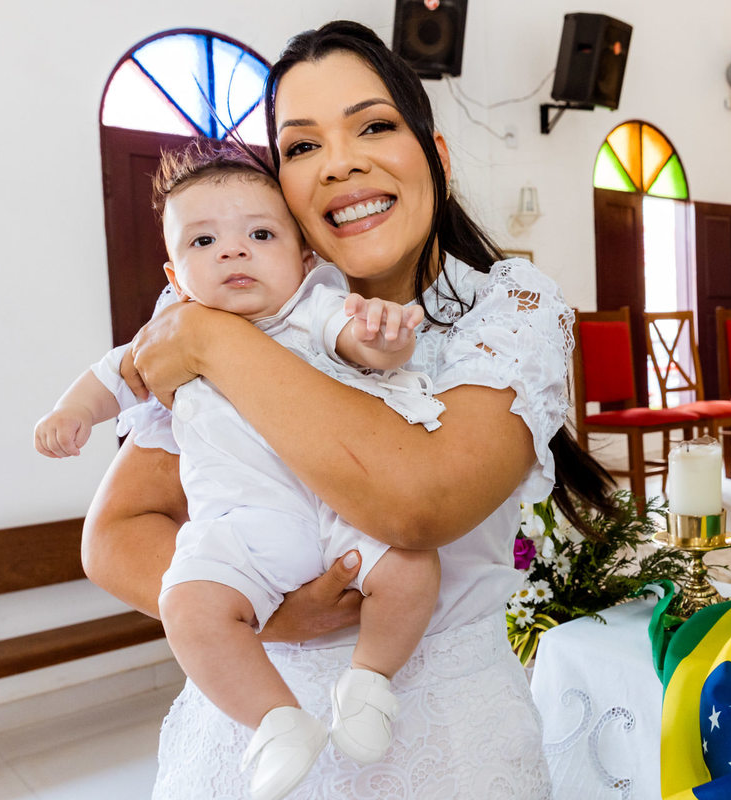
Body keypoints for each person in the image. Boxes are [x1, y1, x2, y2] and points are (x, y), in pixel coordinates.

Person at [81, 19, 618, 800]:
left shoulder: (509, 311)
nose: (340, 163)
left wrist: (210, 342)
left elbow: (421, 502)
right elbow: (116, 537)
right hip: (249, 736)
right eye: (301, 147)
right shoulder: (227, 309)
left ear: (433, 154)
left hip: (446, 744)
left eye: (373, 126)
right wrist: (265, 614)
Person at [37, 144, 445, 800]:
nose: (233, 251)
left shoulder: (310, 315)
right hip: (240, 535)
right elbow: (111, 377)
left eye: (259, 234)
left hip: (338, 516)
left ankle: (369, 682)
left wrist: (387, 334)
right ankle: (277, 722)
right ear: (175, 271)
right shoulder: (168, 347)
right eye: (205, 239)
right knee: (186, 606)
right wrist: (71, 412)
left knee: (412, 565)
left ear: (304, 259)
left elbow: (363, 340)